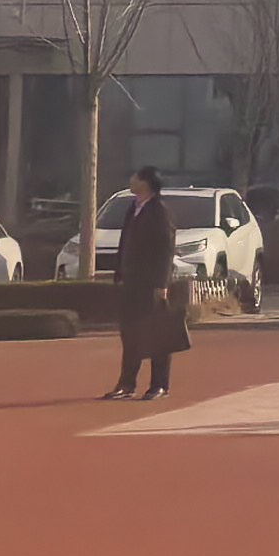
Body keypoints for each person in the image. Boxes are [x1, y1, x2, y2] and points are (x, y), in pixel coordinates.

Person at [105, 165, 181, 402]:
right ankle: (126, 384)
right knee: (130, 334)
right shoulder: (133, 208)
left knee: (157, 335)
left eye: (135, 177)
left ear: (146, 183)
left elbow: (166, 248)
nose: (131, 180)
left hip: (151, 284)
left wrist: (162, 283)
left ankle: (159, 385)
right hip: (132, 282)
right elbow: (125, 242)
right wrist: (119, 271)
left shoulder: (159, 211)